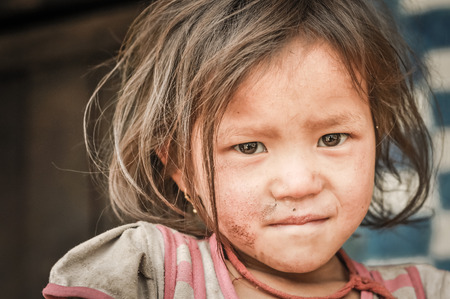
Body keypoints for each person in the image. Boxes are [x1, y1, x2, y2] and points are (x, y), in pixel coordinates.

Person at [42, 0, 450, 298]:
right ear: (179, 168)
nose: (298, 184)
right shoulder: (147, 273)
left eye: (332, 139)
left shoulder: (425, 291)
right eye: (250, 146)